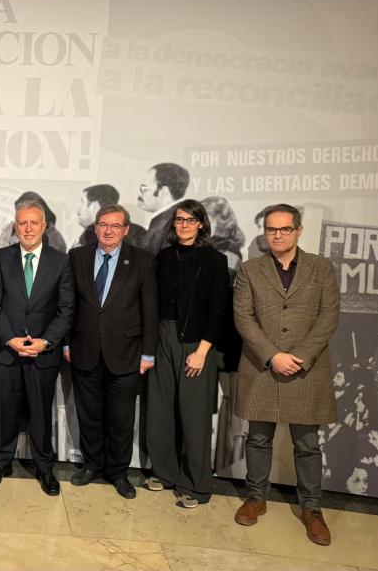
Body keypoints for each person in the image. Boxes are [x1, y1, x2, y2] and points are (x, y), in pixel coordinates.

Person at [232, 203, 340, 546]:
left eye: (284, 229)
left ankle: (312, 508)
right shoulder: (250, 269)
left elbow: (328, 319)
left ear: (298, 230)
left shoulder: (322, 268)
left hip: (306, 371)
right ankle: (256, 497)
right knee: (257, 438)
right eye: (271, 229)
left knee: (308, 445)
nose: (277, 235)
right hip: (262, 366)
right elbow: (243, 317)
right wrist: (273, 355)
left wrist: (299, 356)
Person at [66, 204, 158, 498]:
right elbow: (69, 305)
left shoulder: (141, 260)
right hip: (84, 349)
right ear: (95, 227)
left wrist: (148, 354)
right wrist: (66, 342)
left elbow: (150, 311)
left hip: (128, 354)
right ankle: (92, 465)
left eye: (115, 226)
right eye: (103, 224)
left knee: (120, 419)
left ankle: (118, 472)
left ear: (126, 230)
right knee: (89, 415)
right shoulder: (77, 257)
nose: (108, 230)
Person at [0, 200, 74, 496]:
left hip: (42, 354)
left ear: (44, 226)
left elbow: (65, 310)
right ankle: (2, 461)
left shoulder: (60, 261)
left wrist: (44, 342)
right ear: (15, 227)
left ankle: (44, 467)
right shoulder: (1, 257)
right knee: (5, 411)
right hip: (6, 352)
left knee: (40, 414)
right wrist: (10, 339)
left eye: (34, 223)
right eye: (22, 223)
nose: (28, 228)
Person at [144, 199, 229, 508]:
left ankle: (196, 485)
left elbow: (218, 309)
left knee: (193, 417)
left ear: (201, 225)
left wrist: (203, 351)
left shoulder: (215, 260)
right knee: (160, 410)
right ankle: (164, 473)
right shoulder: (163, 257)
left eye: (190, 221)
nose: (184, 225)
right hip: (162, 337)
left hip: (196, 343)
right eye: (179, 220)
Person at [136, 163, 190, 254]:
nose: (139, 194)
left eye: (144, 188)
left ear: (163, 191)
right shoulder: (185, 218)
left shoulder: (163, 229)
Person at [74, 185, 146, 249]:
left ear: (94, 206)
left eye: (82, 202)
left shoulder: (92, 233)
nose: (78, 211)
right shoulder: (139, 231)